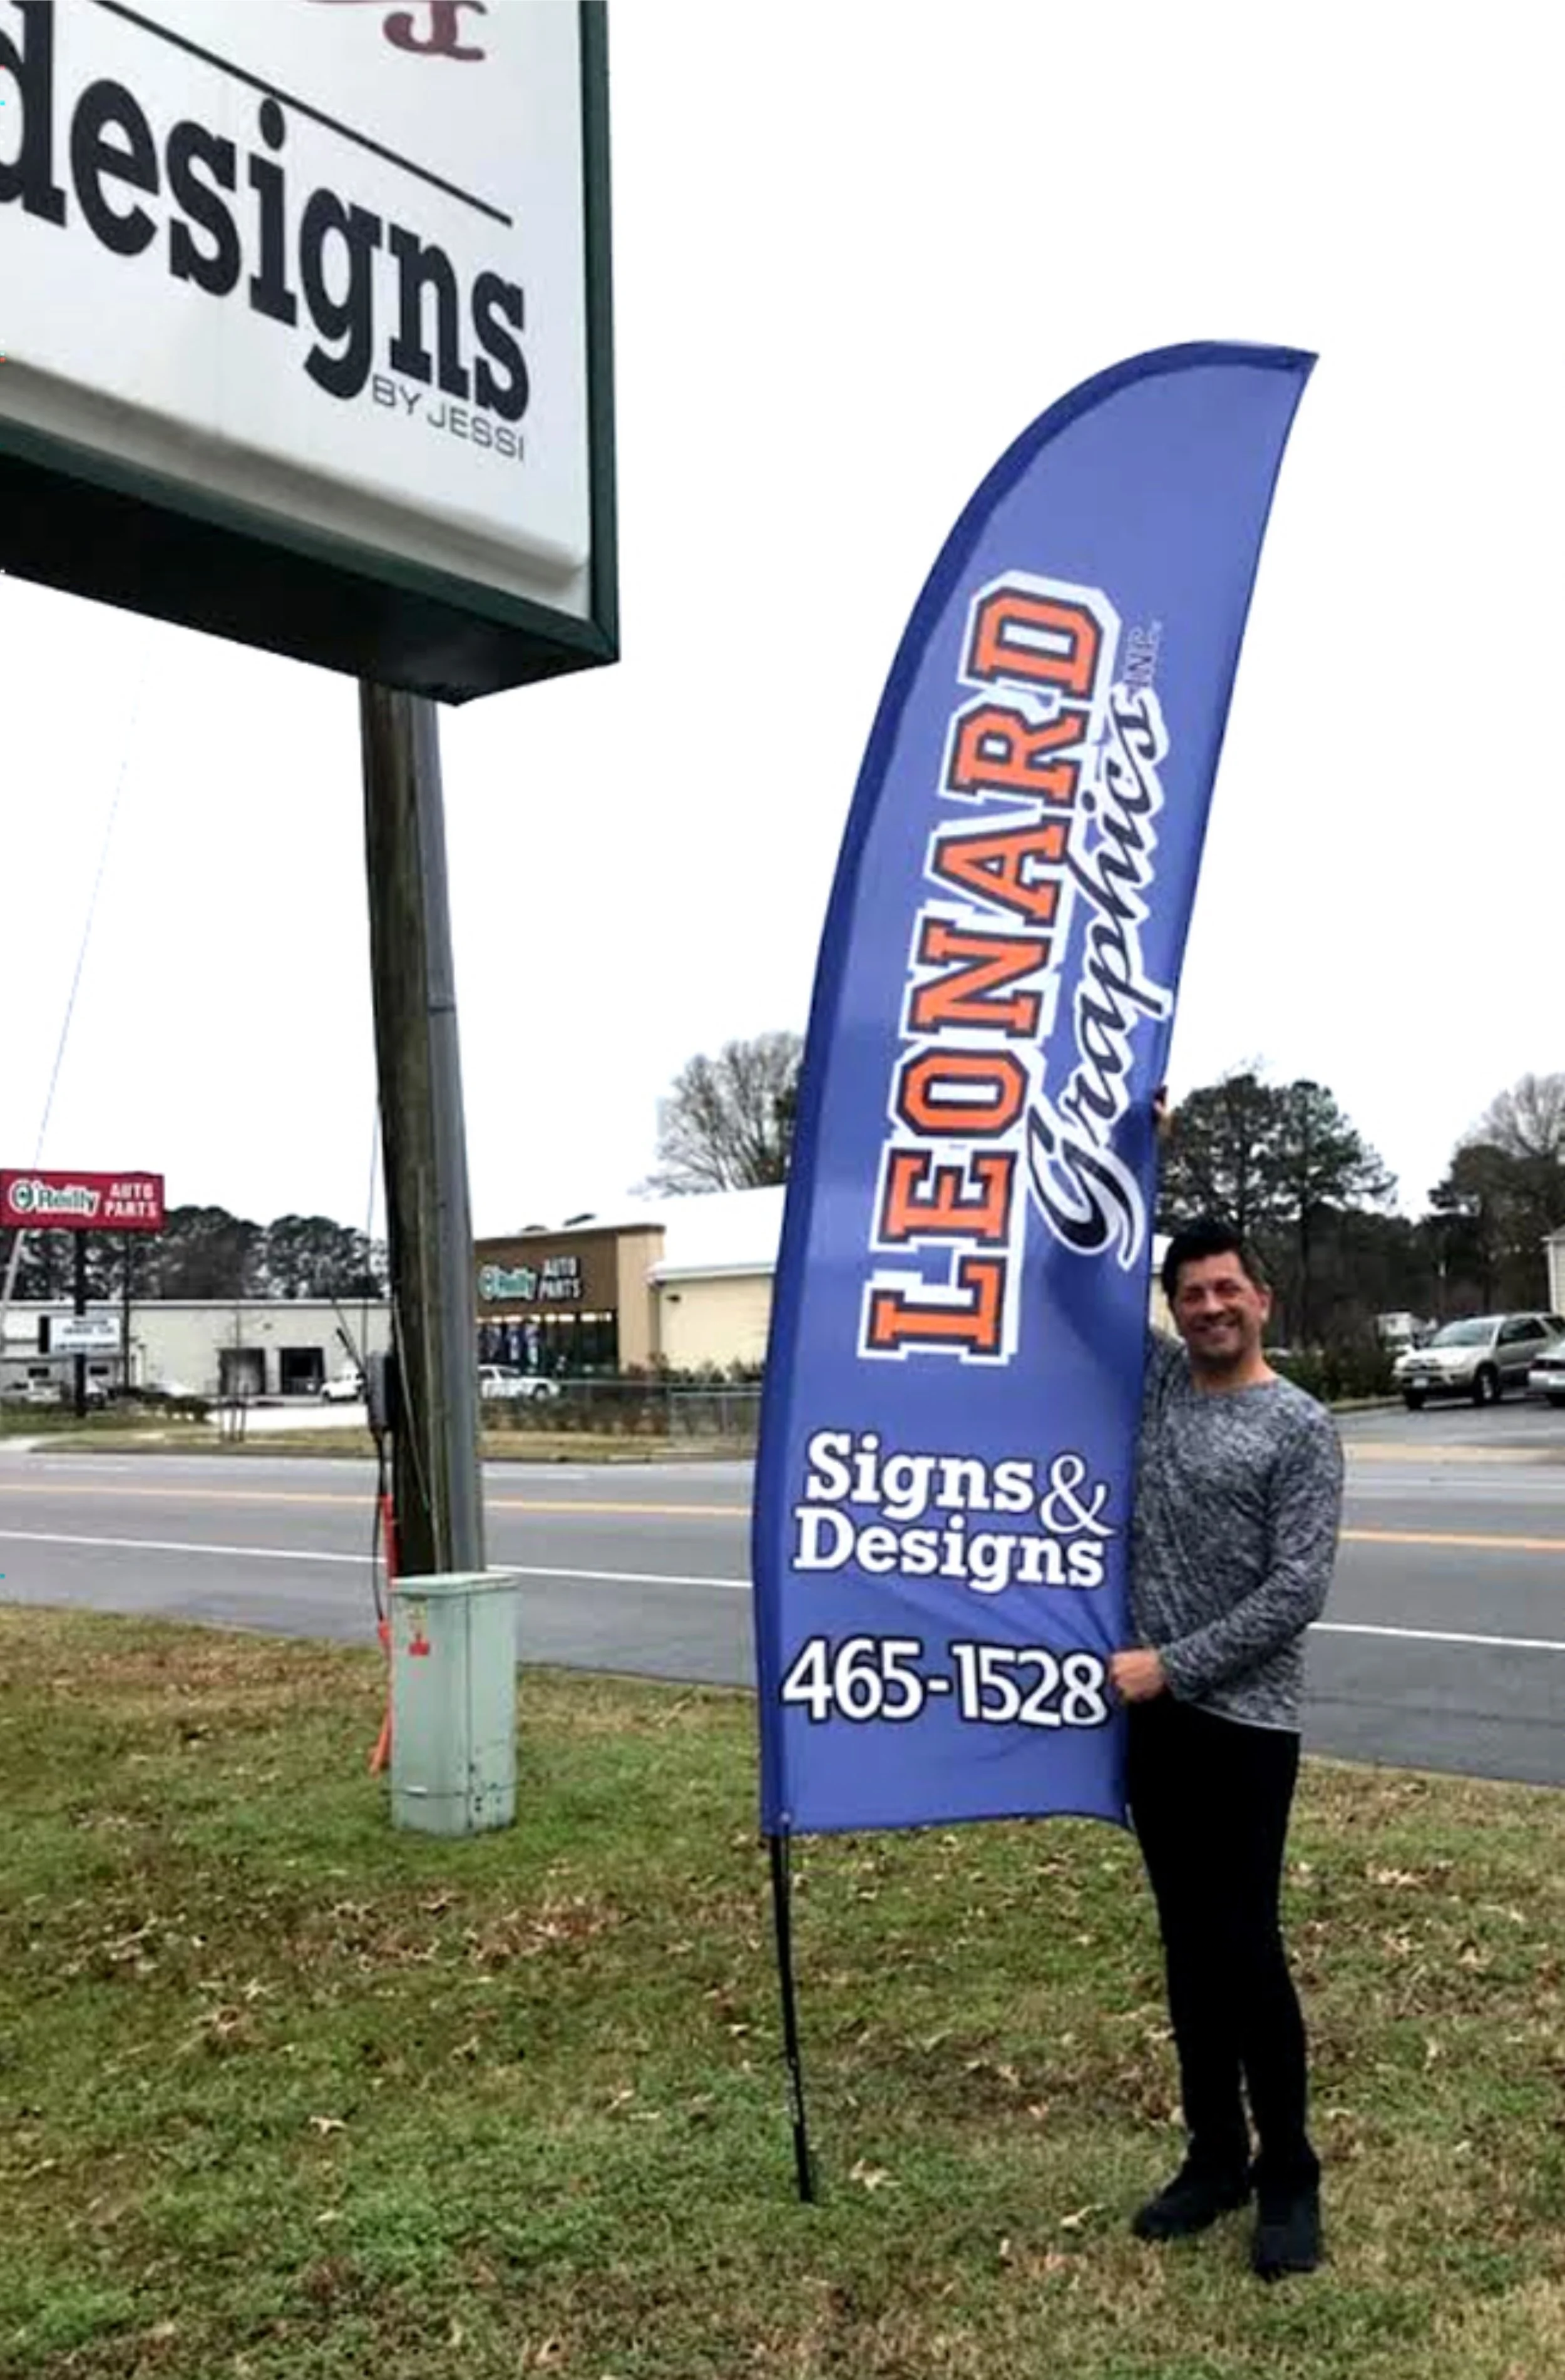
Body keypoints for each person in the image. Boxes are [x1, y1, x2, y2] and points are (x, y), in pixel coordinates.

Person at [1108, 1213, 1343, 2282]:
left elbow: (1298, 1588)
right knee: (1188, 1950)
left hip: (1246, 1726)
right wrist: (1139, 1141)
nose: (1209, 1306)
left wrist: (1175, 1664)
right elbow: (1085, 1276)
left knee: (1247, 1948)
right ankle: (1215, 2157)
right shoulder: (1157, 1387)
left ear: (1263, 1299)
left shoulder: (1298, 1424)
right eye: (1191, 1291)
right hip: (1156, 1728)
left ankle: (1290, 2171)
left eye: (1227, 1289)